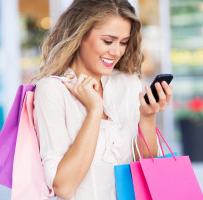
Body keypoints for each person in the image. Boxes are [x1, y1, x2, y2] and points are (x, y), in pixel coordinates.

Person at [32, 0, 172, 199]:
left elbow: (148, 168)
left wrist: (147, 116)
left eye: (123, 42)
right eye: (108, 41)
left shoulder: (128, 83)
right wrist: (94, 111)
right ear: (80, 35)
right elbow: (63, 187)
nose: (116, 52)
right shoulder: (53, 90)